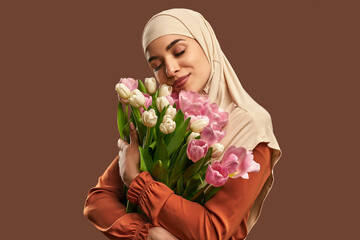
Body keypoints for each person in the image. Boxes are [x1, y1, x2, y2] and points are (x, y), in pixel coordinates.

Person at [83, 8, 282, 240]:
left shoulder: (251, 126)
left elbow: (212, 231)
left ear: (206, 44)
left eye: (179, 51)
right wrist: (145, 234)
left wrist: (136, 181)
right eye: (156, 65)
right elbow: (97, 200)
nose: (170, 70)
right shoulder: (161, 116)